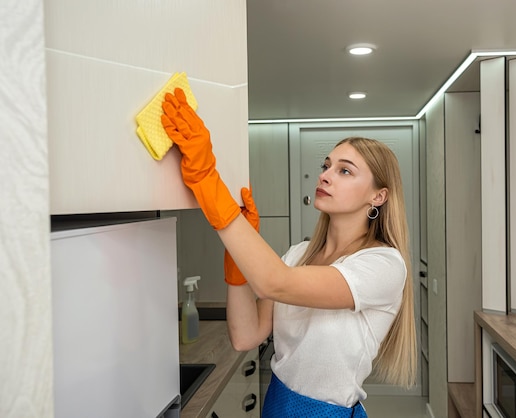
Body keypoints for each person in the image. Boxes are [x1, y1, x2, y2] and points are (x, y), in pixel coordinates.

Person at [162, 88, 417, 417]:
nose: (324, 175)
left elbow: (274, 283)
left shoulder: (383, 265)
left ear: (378, 197)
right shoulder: (298, 255)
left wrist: (208, 182)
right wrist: (237, 261)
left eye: (345, 170)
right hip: (276, 405)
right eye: (326, 166)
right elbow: (246, 336)